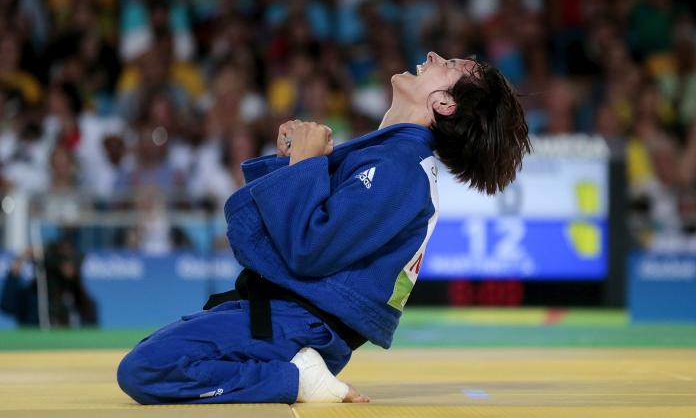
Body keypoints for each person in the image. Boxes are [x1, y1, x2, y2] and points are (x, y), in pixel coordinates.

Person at [117, 51, 531, 404]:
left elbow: (310, 247)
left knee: (146, 369)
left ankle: (296, 377)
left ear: (444, 104)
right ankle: (294, 369)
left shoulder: (401, 169)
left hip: (298, 324)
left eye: (449, 65)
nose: (432, 57)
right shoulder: (392, 158)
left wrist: (306, 165)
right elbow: (310, 232)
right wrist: (292, 161)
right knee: (154, 355)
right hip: (289, 316)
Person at [0, 240, 98, 327]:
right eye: (64, 259)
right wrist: (18, 263)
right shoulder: (31, 295)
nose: (68, 266)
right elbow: (7, 306)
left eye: (72, 260)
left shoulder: (80, 300)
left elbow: (91, 333)